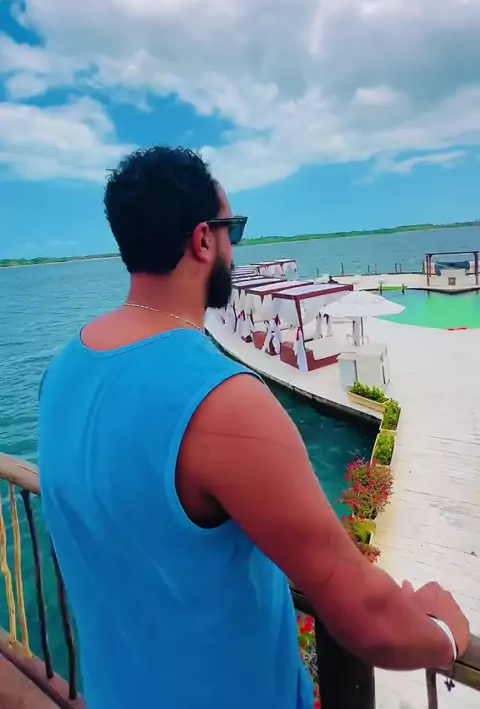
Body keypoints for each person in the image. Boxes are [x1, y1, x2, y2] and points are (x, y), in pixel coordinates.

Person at [38, 146, 469, 709]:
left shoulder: (63, 371)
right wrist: (445, 635)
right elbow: (366, 617)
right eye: (232, 229)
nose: (235, 248)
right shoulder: (223, 399)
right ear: (203, 240)